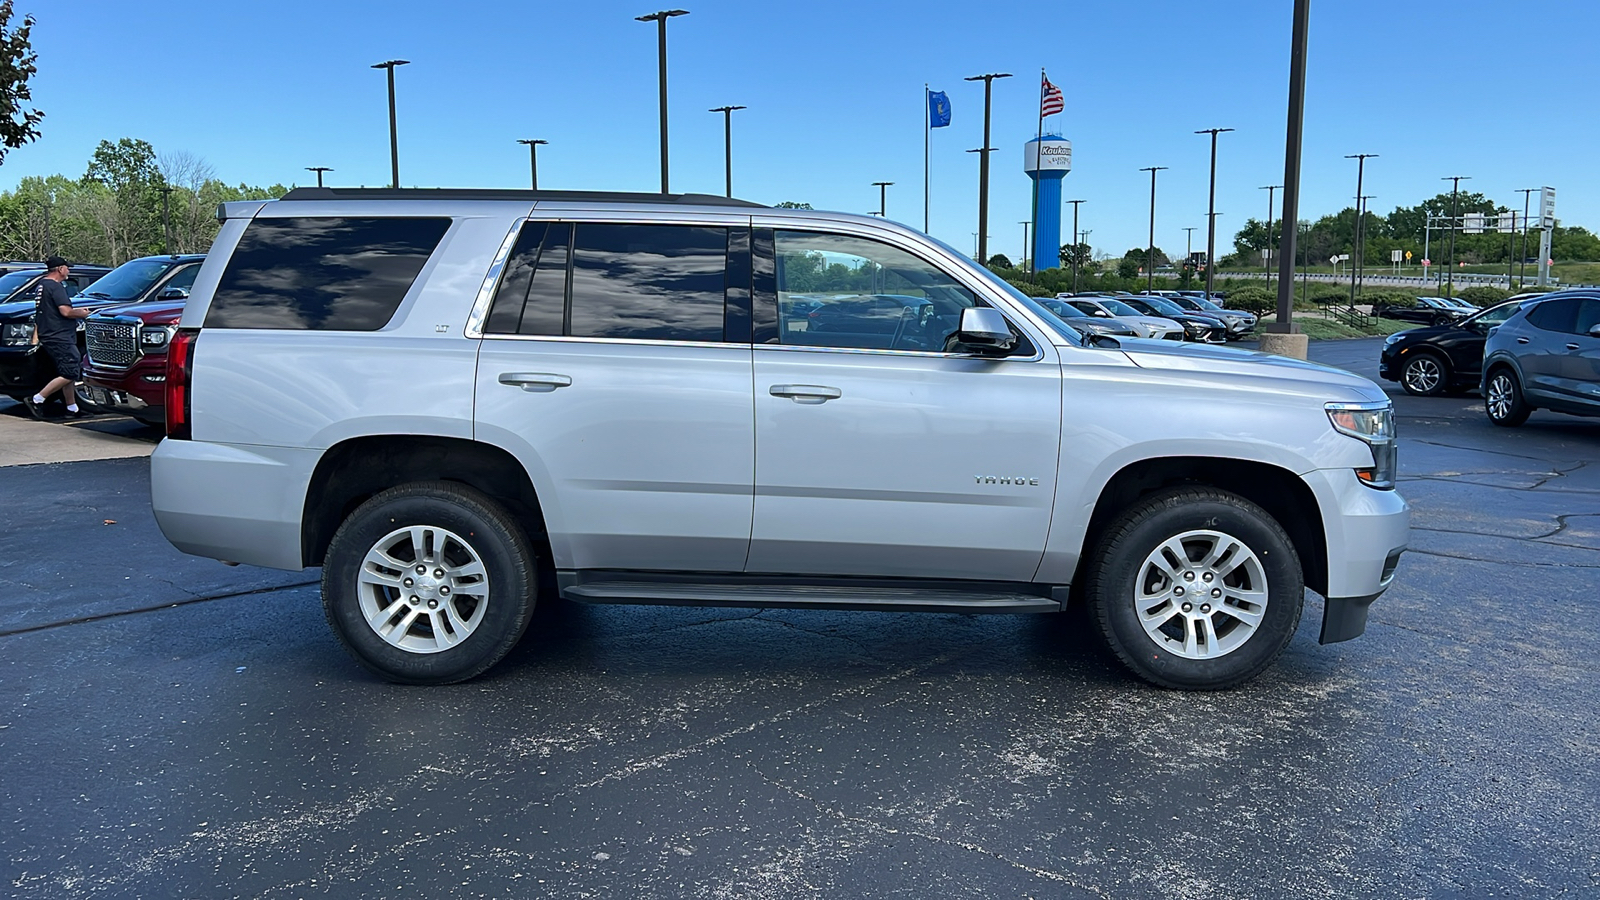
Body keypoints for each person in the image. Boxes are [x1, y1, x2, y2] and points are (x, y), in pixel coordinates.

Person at [23, 256, 91, 419]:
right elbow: (66, 312)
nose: (68, 271)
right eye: (67, 268)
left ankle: (71, 408)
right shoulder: (55, 287)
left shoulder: (43, 285)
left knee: (67, 370)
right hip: (59, 335)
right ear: (60, 269)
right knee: (71, 370)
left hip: (50, 334)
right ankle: (37, 399)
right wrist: (82, 313)